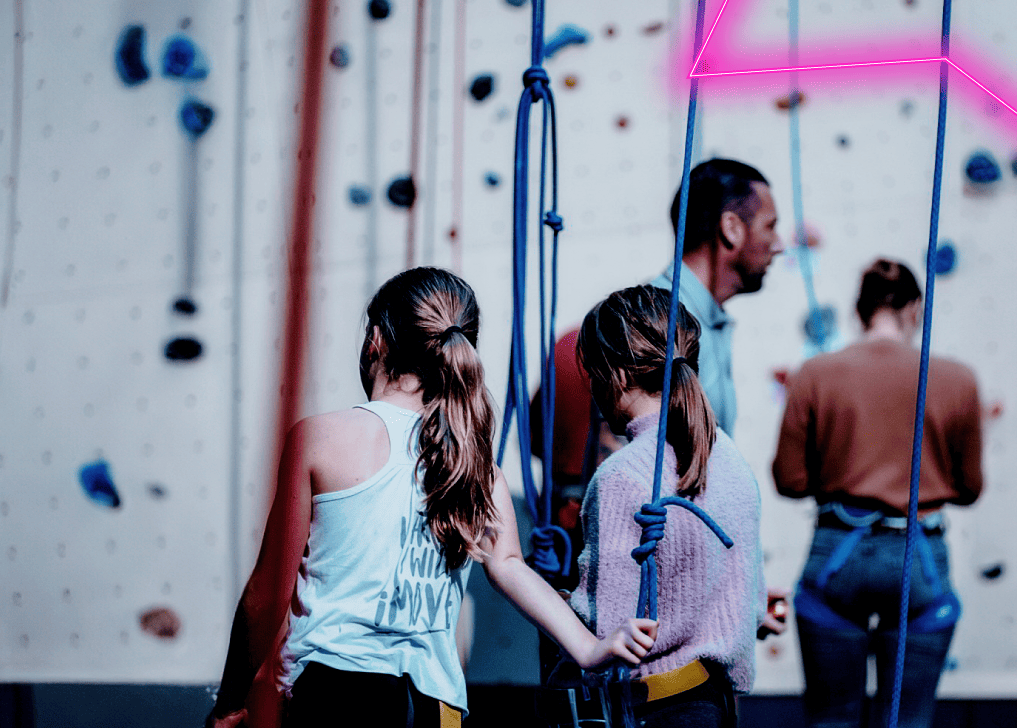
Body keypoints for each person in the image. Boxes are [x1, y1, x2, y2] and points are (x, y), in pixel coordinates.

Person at [205, 268, 657, 728]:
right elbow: (510, 568)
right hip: (435, 707)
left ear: (375, 341)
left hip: (338, 692)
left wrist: (230, 703)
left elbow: (267, 593)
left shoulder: (321, 439)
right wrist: (588, 646)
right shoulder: (478, 469)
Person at [539, 285, 767, 728]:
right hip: (713, 703)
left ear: (617, 376)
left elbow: (605, 628)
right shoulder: (729, 457)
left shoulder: (621, 476)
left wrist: (550, 594)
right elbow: (751, 601)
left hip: (652, 709)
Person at [771, 259, 984, 728]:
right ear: (914, 309)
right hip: (919, 554)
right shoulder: (957, 379)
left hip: (836, 554)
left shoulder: (815, 374)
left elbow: (789, 480)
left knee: (831, 720)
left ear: (858, 311)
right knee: (907, 720)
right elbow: (970, 489)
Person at [651, 158, 785, 435]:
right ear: (732, 228)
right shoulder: (658, 321)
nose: (779, 245)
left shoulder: (702, 319)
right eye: (770, 226)